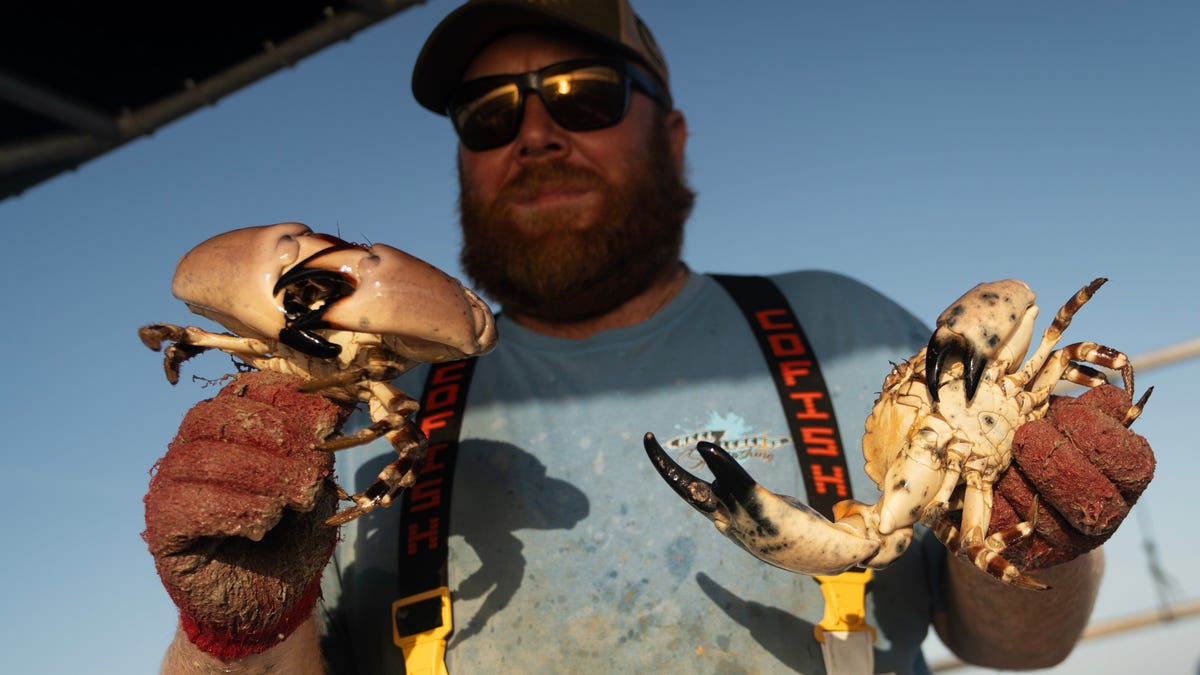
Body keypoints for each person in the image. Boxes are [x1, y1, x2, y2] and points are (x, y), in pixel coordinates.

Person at [150, 1, 1127, 672]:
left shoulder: (845, 328)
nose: (536, 133)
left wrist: (1049, 538)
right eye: (488, 115)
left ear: (674, 134)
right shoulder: (357, 419)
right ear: (462, 162)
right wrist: (231, 624)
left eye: (585, 94)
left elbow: (1018, 643)